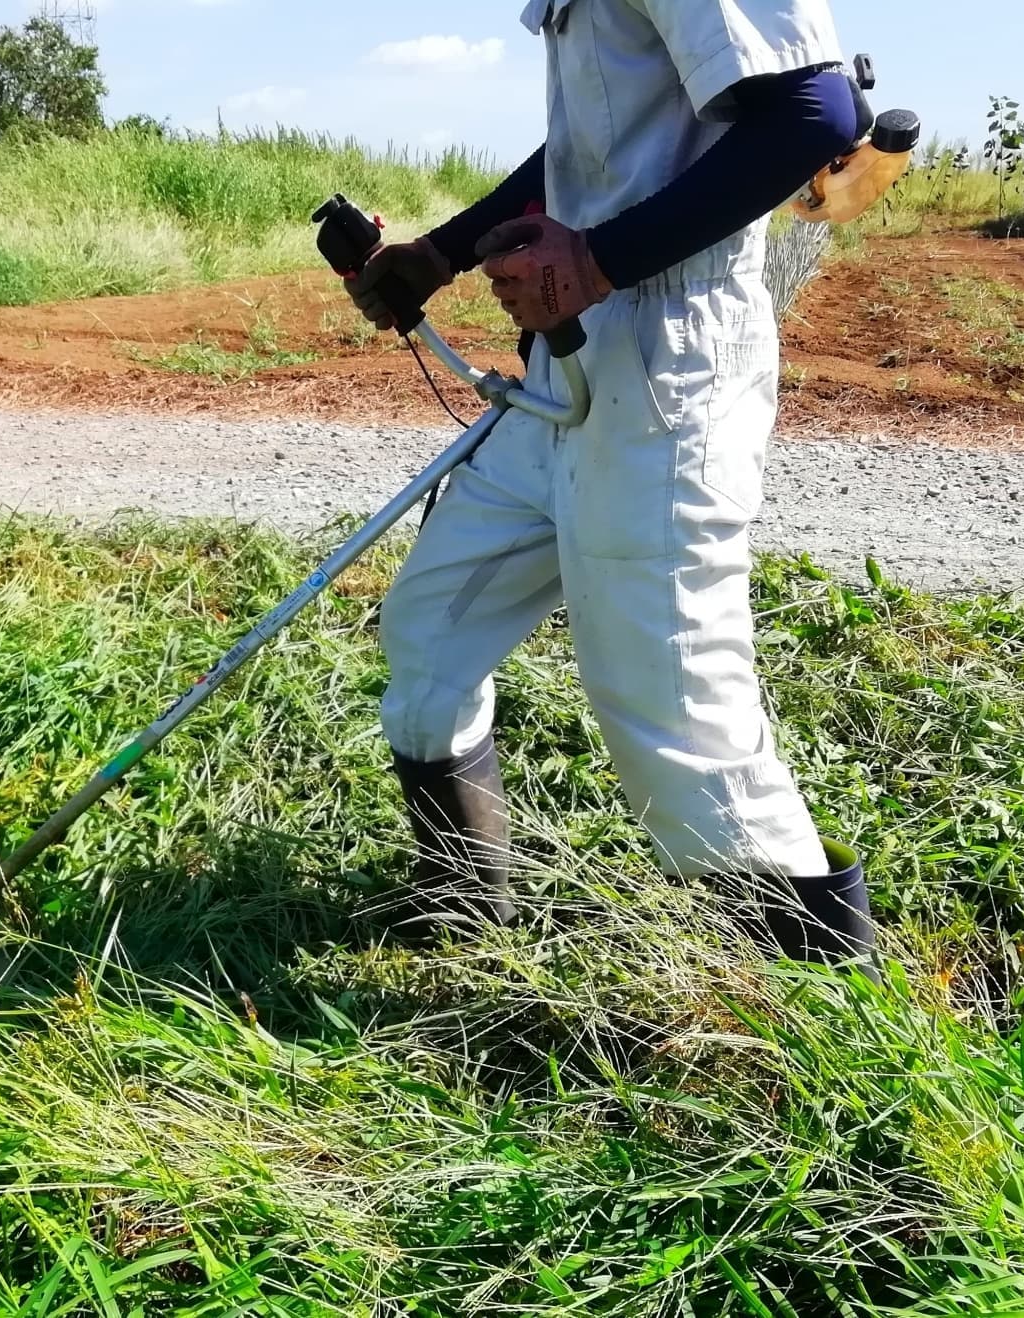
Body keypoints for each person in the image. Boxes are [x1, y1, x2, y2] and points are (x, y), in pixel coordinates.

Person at [345, 0, 876, 970]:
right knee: (432, 632)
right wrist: (445, 252)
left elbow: (819, 111)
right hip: (567, 371)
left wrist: (595, 259)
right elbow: (598, 140)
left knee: (678, 722)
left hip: (666, 373)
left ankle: (825, 1035)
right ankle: (469, 924)